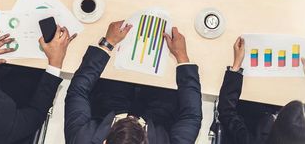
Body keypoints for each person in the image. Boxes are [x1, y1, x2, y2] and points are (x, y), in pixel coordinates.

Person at [65, 21, 203, 143]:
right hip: (158, 115)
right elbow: (191, 116)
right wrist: (182, 57)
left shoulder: (81, 139)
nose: (133, 117)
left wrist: (107, 44)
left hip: (109, 104)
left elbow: (77, 92)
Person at [218, 37, 305, 144]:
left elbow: (226, 111)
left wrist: (236, 66)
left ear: (277, 118)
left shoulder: (254, 140)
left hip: (256, 115)